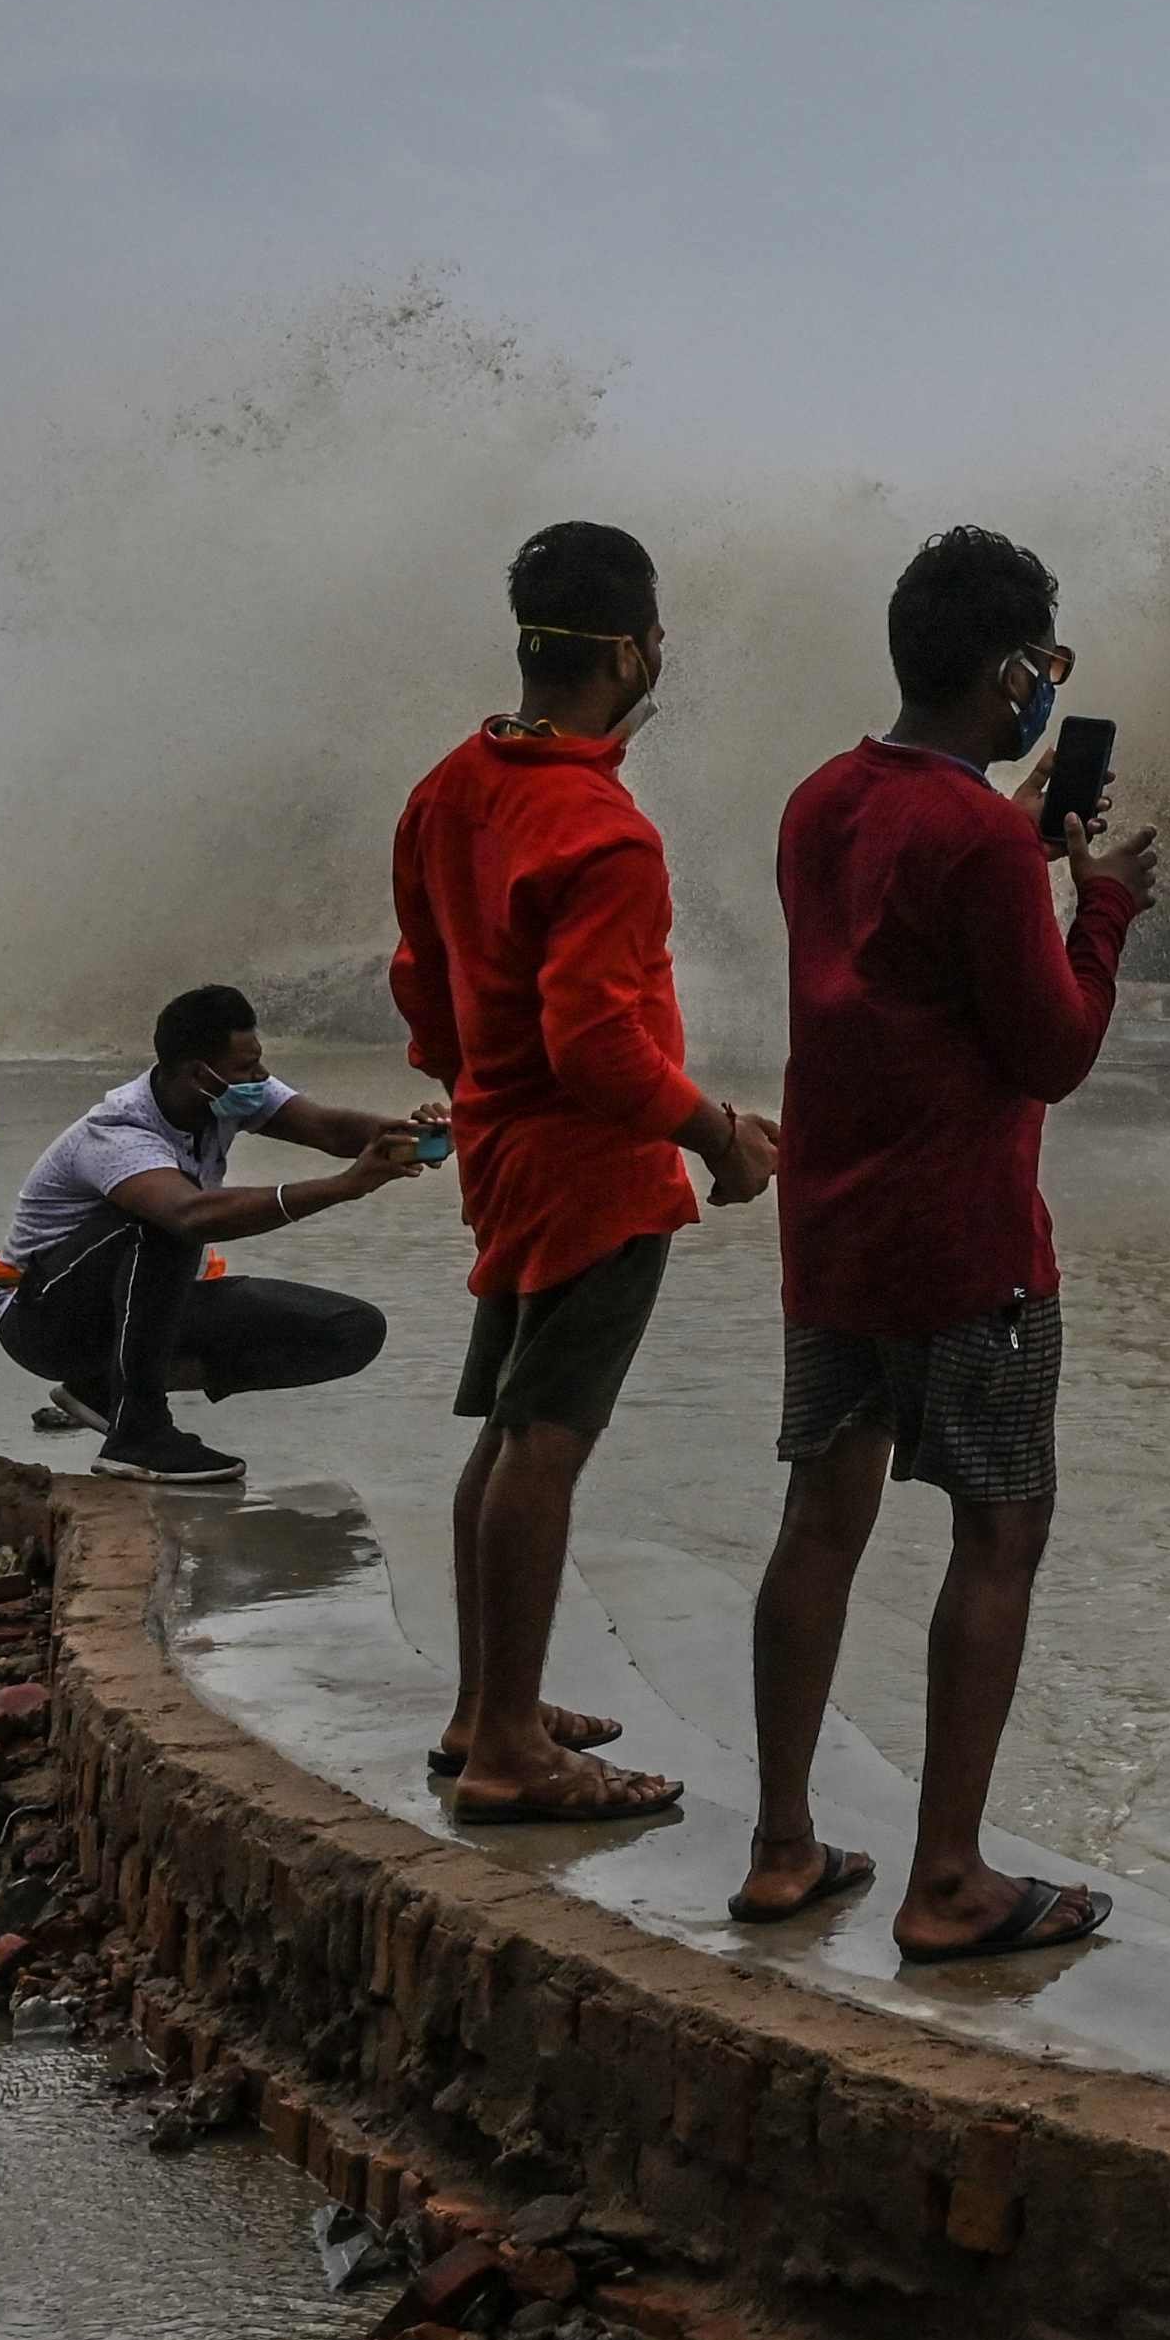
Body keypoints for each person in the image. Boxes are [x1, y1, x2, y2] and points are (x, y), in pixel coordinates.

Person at [742, 523, 1150, 1955]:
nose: (1052, 681)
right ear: (1003, 671)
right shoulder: (977, 835)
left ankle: (783, 1844)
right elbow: (1047, 1051)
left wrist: (1024, 847)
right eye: (1046, 660)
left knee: (819, 1520)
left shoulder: (821, 799)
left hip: (834, 1232)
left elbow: (900, 951)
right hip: (967, 1247)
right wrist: (1099, 908)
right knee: (998, 1531)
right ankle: (948, 1881)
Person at [389, 521, 779, 1826]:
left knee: (504, 1438)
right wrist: (715, 1132)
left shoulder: (449, 789)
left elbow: (421, 985)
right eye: (654, 634)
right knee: (544, 1448)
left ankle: (483, 1701)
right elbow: (598, 1042)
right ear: (626, 647)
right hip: (592, 1177)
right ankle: (508, 1747)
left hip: (502, 1154)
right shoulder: (604, 834)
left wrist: (474, 1090)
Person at [0, 987, 426, 1480]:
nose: (260, 1078)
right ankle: (138, 1433)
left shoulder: (226, 1095)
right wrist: (344, 1187)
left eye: (259, 1063)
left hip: (142, 1305)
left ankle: (110, 1388)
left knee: (351, 1329)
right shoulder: (118, 1131)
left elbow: (326, 1127)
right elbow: (192, 1216)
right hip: (45, 1323)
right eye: (246, 1067)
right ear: (199, 1073)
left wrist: (409, 1136)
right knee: (169, 1223)